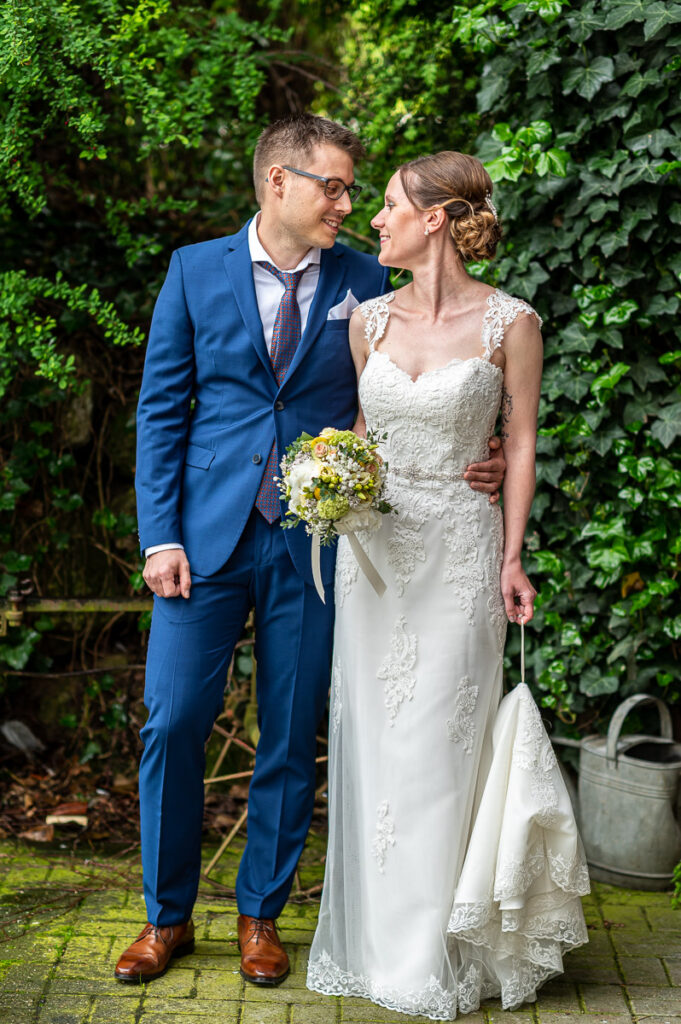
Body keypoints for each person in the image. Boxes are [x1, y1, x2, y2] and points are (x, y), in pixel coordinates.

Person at [114, 117, 505, 986]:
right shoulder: (192, 271)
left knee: (291, 733)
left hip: (321, 544)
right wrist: (159, 535)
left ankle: (261, 916)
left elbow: (447, 364)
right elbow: (161, 411)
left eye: (353, 190)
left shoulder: (371, 280)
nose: (348, 204)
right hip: (204, 540)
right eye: (332, 186)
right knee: (173, 722)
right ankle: (165, 917)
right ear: (277, 183)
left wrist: (492, 447)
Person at [307, 152, 589, 1019]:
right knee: (378, 746)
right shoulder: (367, 322)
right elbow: (363, 429)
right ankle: (377, 943)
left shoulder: (512, 324)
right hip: (377, 561)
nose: (373, 218)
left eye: (387, 204)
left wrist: (510, 556)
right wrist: (329, 476)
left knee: (441, 747)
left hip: (463, 557)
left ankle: (436, 950)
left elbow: (523, 442)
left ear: (435, 218)